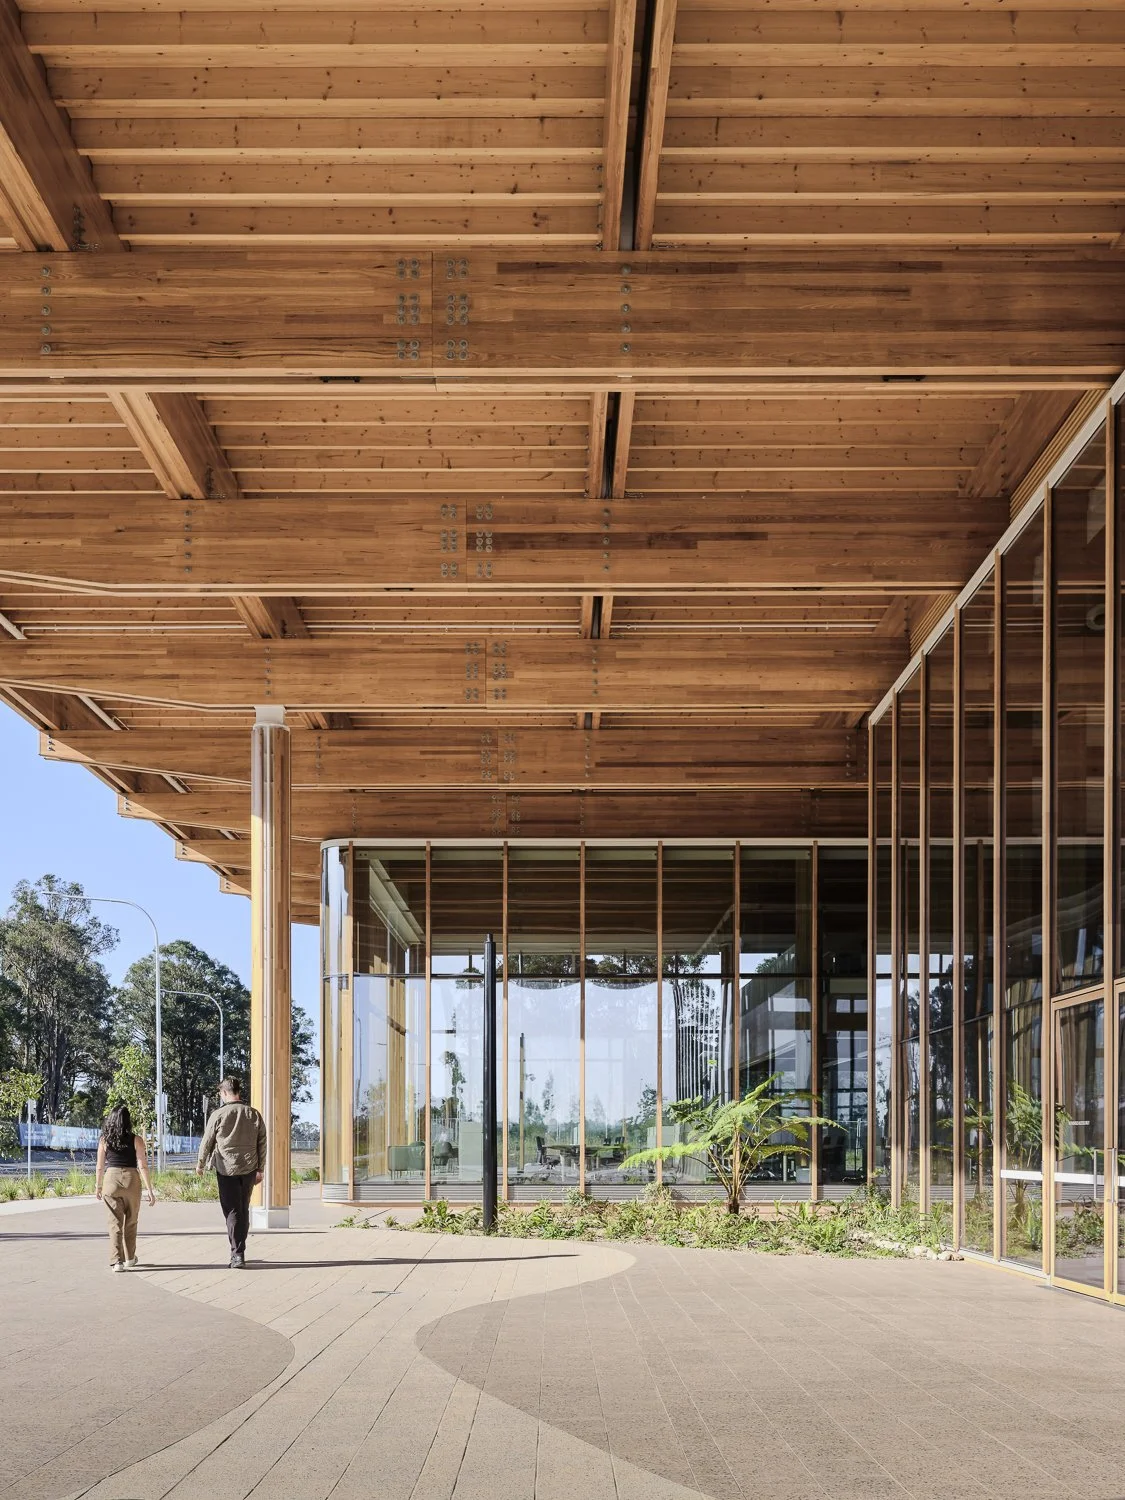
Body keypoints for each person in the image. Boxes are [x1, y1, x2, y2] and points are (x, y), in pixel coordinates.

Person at [196, 1076, 267, 1268]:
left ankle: (237, 1254)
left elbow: (207, 1140)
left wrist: (200, 1164)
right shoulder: (253, 1114)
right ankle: (240, 1248)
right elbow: (262, 1143)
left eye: (221, 1093)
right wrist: (261, 1168)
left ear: (225, 1093)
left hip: (226, 1169)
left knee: (232, 1211)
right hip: (249, 1168)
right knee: (243, 1208)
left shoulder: (218, 1115)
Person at [95, 1104, 155, 1272]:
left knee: (114, 1223)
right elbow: (143, 1166)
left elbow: (100, 1166)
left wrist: (98, 1186)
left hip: (111, 1181)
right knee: (131, 1221)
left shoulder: (104, 1140)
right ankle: (130, 1258)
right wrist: (150, 1190)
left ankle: (117, 1262)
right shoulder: (136, 1140)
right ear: (128, 1121)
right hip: (131, 1181)